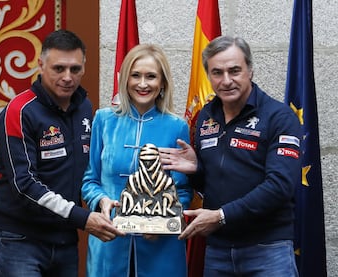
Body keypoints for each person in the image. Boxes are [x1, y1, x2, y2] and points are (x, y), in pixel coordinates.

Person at [160, 36, 302, 276]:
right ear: (209, 76)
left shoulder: (279, 117)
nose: (226, 81)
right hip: (218, 251)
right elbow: (214, 184)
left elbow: (280, 186)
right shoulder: (206, 116)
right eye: (217, 73)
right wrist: (196, 171)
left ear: (250, 70)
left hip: (268, 250)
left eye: (234, 70)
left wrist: (221, 216)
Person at [0, 29, 124, 277]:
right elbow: (25, 185)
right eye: (59, 68)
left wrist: (104, 200)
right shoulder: (19, 112)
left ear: (84, 67)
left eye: (75, 69)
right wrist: (83, 218)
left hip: (64, 239)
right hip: (21, 239)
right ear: (41, 65)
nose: (67, 77)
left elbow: (91, 170)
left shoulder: (84, 107)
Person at [81, 44, 193, 277]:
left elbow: (182, 190)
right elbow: (89, 181)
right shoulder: (103, 120)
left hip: (161, 247)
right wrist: (101, 201)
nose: (143, 84)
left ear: (162, 83)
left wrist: (163, 219)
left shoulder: (177, 126)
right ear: (125, 79)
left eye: (151, 76)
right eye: (135, 75)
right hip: (109, 241)